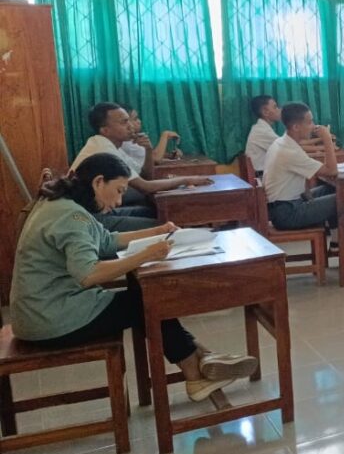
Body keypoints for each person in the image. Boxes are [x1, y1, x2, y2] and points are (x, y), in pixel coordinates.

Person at [10, 153, 257, 402]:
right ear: (98, 182)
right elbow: (88, 274)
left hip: (41, 311)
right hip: (49, 319)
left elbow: (106, 240)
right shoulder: (72, 216)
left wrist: (158, 231)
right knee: (149, 303)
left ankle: (203, 358)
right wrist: (145, 255)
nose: (118, 201)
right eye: (118, 191)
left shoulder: (62, 204)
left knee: (144, 299)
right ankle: (196, 373)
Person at [263, 102, 344, 271]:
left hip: (286, 205)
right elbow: (332, 171)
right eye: (310, 122)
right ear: (296, 127)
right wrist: (327, 139)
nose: (313, 126)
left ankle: (337, 241)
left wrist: (322, 140)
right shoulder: (287, 151)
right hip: (287, 213)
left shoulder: (283, 142)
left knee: (332, 189)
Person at [71, 102, 212, 231]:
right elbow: (145, 186)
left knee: (153, 211)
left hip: (101, 211)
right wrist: (185, 180)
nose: (131, 126)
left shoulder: (115, 147)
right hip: (87, 218)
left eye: (129, 120)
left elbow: (146, 176)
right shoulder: (103, 147)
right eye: (124, 122)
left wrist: (148, 150)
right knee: (164, 225)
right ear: (105, 130)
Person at [246, 95, 328, 174]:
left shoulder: (262, 127)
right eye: (275, 107)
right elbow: (296, 146)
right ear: (265, 112)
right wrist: (324, 143)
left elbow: (295, 144)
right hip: (261, 174)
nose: (279, 110)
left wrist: (321, 141)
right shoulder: (262, 131)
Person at [121, 107, 180, 172]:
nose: (139, 121)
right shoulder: (127, 144)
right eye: (135, 119)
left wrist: (170, 155)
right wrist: (165, 135)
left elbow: (148, 156)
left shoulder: (131, 141)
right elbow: (156, 159)